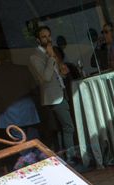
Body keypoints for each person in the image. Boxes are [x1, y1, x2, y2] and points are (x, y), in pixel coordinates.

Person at [30, 25, 76, 158]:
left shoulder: (51, 52)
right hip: (53, 98)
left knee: (62, 129)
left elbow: (55, 75)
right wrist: (51, 58)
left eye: (49, 36)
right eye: (44, 37)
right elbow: (45, 77)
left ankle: (66, 159)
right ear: (38, 40)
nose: (48, 39)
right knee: (68, 128)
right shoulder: (35, 57)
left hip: (61, 93)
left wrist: (63, 74)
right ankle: (72, 159)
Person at [0, 50, 40, 140]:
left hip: (9, 112)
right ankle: (38, 153)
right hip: (28, 109)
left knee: (20, 141)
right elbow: (34, 89)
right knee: (34, 139)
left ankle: (28, 153)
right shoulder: (23, 69)